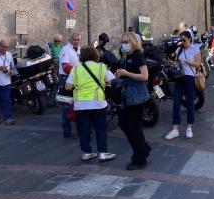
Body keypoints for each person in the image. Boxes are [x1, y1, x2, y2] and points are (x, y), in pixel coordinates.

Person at [64, 46, 116, 161]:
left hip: (81, 105)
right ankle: (102, 153)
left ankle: (86, 153)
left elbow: (67, 87)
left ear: (81, 57)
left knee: (84, 129)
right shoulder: (101, 67)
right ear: (95, 55)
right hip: (98, 104)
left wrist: (78, 85)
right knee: (100, 128)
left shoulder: (76, 69)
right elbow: (111, 80)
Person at [116, 32, 151, 170]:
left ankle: (139, 159)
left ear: (132, 42)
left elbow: (145, 76)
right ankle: (143, 148)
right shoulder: (127, 56)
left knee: (134, 127)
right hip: (129, 95)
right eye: (122, 41)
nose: (124, 44)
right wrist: (119, 75)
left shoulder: (137, 55)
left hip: (137, 96)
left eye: (126, 41)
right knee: (124, 123)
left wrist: (126, 73)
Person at [165, 30, 201, 140]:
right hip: (179, 77)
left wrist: (187, 62)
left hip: (190, 78)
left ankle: (189, 128)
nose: (182, 42)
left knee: (190, 103)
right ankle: (175, 129)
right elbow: (176, 61)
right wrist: (173, 63)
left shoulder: (195, 49)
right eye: (181, 40)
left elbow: (198, 65)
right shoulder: (179, 49)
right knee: (176, 104)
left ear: (190, 39)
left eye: (184, 40)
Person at [59, 33, 81, 138]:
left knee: (78, 105)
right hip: (66, 79)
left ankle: (79, 130)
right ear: (70, 39)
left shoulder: (80, 49)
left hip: (78, 79)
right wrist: (80, 72)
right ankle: (67, 131)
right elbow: (65, 67)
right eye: (74, 39)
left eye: (78, 40)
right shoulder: (65, 49)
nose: (76, 41)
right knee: (66, 106)